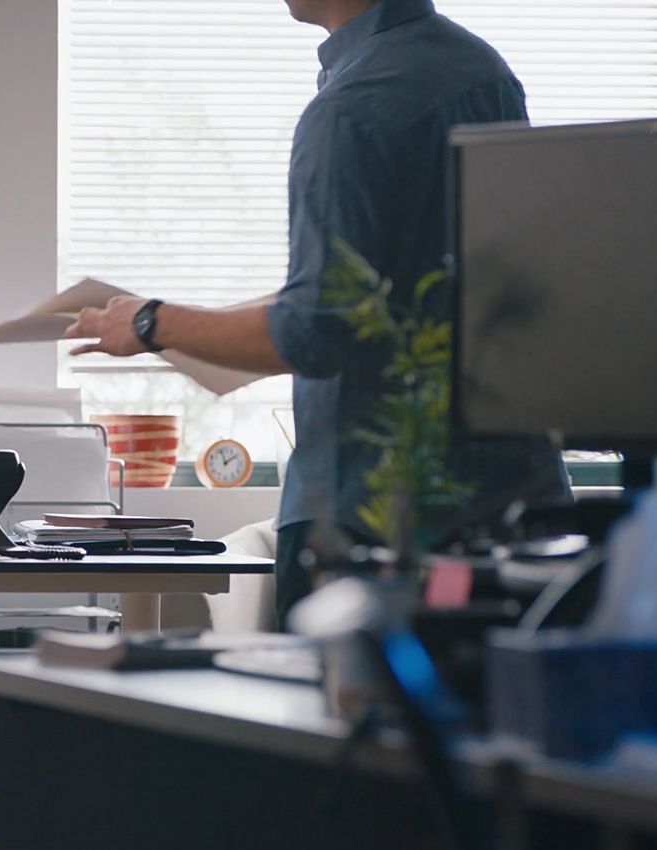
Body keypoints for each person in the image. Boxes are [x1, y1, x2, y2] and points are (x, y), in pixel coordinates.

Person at [64, 0, 569, 625]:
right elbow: (403, 290)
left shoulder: (352, 106)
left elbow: (316, 329)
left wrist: (151, 323)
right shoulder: (480, 72)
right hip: (511, 507)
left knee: (342, 719)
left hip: (377, 523)